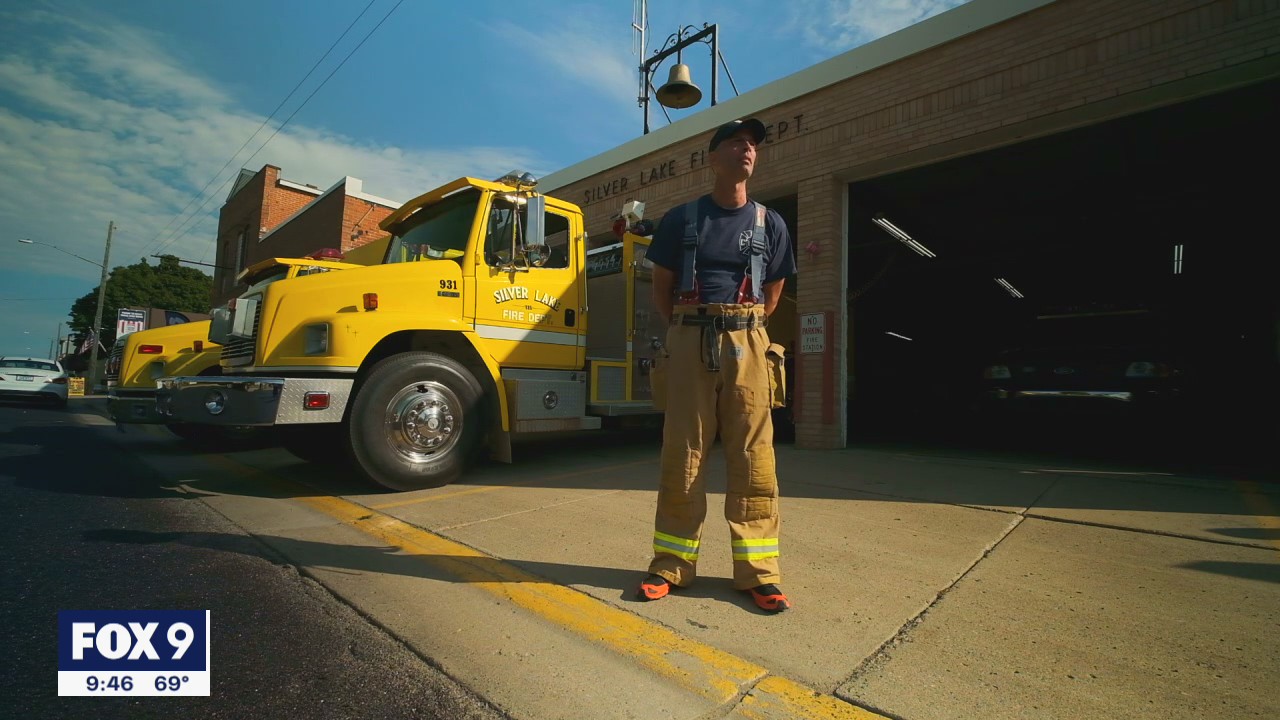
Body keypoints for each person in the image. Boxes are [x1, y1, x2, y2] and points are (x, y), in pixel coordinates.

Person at [637, 117, 797, 612]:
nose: (747, 149)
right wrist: (688, 328)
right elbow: (661, 289)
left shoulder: (771, 223)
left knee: (754, 458)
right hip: (690, 336)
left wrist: (743, 326)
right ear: (713, 158)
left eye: (752, 144)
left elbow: (774, 290)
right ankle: (671, 564)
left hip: (749, 339)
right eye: (736, 142)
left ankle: (759, 573)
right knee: (683, 453)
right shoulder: (681, 220)